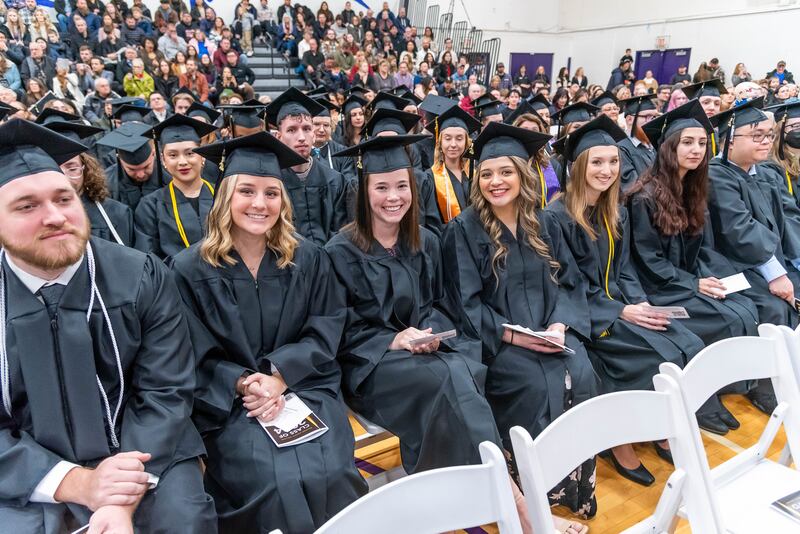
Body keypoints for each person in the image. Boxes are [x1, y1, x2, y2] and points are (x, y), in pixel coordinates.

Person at [0, 118, 217, 533]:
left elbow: (165, 390)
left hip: (147, 449)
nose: (54, 216)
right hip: (24, 468)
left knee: (182, 521)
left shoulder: (140, 275)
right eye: (27, 206)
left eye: (63, 198)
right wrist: (78, 483)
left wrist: (119, 494)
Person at [171, 131, 367, 533]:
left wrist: (279, 376)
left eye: (271, 193)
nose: (260, 204)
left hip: (304, 386)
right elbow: (188, 352)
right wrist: (243, 382)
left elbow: (326, 326)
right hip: (231, 403)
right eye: (247, 191)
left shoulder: (308, 258)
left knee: (331, 472)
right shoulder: (189, 269)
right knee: (274, 482)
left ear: (283, 200)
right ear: (226, 197)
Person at [441, 122, 595, 529]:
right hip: (500, 344)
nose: (496, 182)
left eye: (506, 171)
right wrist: (514, 335)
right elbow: (465, 305)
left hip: (551, 334)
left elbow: (570, 282)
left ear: (523, 174)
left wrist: (559, 326)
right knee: (533, 382)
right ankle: (531, 497)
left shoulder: (545, 223)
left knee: (581, 372)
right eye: (487, 173)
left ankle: (572, 488)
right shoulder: (463, 230)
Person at [548, 115, 705, 485]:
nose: (606, 170)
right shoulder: (556, 217)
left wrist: (640, 303)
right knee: (653, 356)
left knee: (688, 342)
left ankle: (659, 426)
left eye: (613, 161)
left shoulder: (615, 209)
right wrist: (621, 310)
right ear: (578, 166)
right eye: (597, 162)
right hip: (588, 315)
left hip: (622, 305)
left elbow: (626, 269)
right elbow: (566, 286)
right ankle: (619, 441)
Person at [626, 100, 760, 434]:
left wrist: (706, 278)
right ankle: (701, 401)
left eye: (702, 142)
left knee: (744, 306)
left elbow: (697, 248)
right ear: (669, 147)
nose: (697, 149)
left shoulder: (691, 189)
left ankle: (720, 390)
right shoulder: (644, 197)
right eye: (687, 142)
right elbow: (648, 261)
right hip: (658, 288)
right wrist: (693, 284)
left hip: (684, 279)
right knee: (724, 318)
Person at [708, 97, 800, 414]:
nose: (766, 141)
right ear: (730, 140)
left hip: (764, 260)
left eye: (769, 135)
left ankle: (790, 373)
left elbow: (785, 221)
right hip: (730, 263)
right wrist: (777, 274)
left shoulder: (766, 174)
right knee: (773, 306)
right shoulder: (717, 175)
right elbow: (740, 231)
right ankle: (764, 386)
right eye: (756, 135)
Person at [37, 108, 134, 246]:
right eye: (54, 169)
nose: (64, 179)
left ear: (85, 168)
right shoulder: (32, 221)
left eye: (72, 169)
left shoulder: (116, 213)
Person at [266, 87, 348, 245]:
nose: (301, 137)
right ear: (278, 137)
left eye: (306, 129)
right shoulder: (272, 183)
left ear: (314, 135)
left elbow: (342, 234)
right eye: (292, 130)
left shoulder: (335, 181)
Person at [134, 114, 217, 259]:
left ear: (202, 155)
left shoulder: (222, 194)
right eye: (173, 155)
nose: (182, 162)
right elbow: (149, 258)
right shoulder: (150, 206)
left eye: (190, 153)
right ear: (163, 159)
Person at [423, 100, 481, 229]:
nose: (453, 144)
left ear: (467, 142)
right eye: (447, 138)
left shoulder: (476, 173)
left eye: (459, 138)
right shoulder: (429, 179)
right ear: (440, 142)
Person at [98, 114, 166, 212]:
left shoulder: (170, 176)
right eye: (132, 169)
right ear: (120, 160)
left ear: (153, 154)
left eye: (146, 166)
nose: (140, 175)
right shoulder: (106, 183)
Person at [617, 94, 658, 191]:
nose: (652, 121)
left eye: (654, 117)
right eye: (646, 116)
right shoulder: (621, 149)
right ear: (629, 119)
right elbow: (631, 187)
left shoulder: (656, 144)